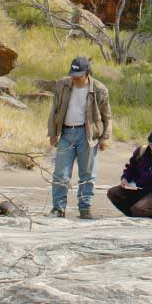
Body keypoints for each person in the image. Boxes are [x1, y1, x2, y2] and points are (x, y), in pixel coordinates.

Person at [48, 56, 112, 219]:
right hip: (66, 133)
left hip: (88, 135)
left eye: (79, 75)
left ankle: (85, 208)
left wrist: (105, 138)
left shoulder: (99, 89)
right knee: (60, 173)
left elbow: (107, 116)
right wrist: (53, 133)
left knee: (87, 174)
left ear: (87, 73)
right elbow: (54, 110)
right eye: (73, 74)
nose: (75, 78)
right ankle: (58, 208)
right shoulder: (62, 84)